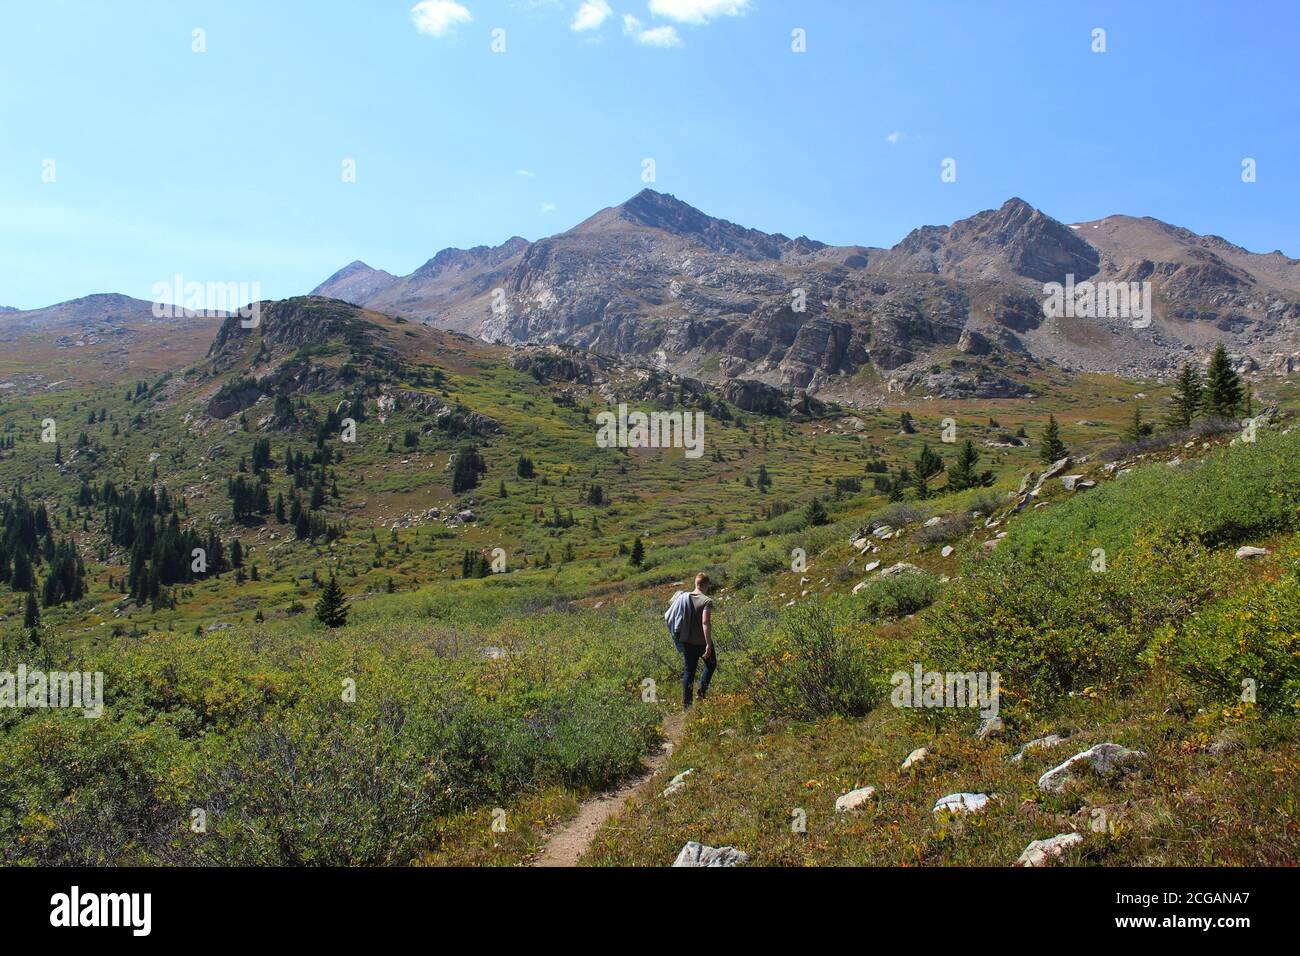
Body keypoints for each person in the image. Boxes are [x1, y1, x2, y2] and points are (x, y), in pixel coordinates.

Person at [676, 572, 716, 710]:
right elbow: (705, 622)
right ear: (706, 585)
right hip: (702, 642)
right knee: (711, 665)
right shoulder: (706, 601)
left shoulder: (683, 598)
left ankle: (687, 707)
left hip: (687, 641)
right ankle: (701, 693)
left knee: (689, 672)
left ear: (696, 583)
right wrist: (708, 644)